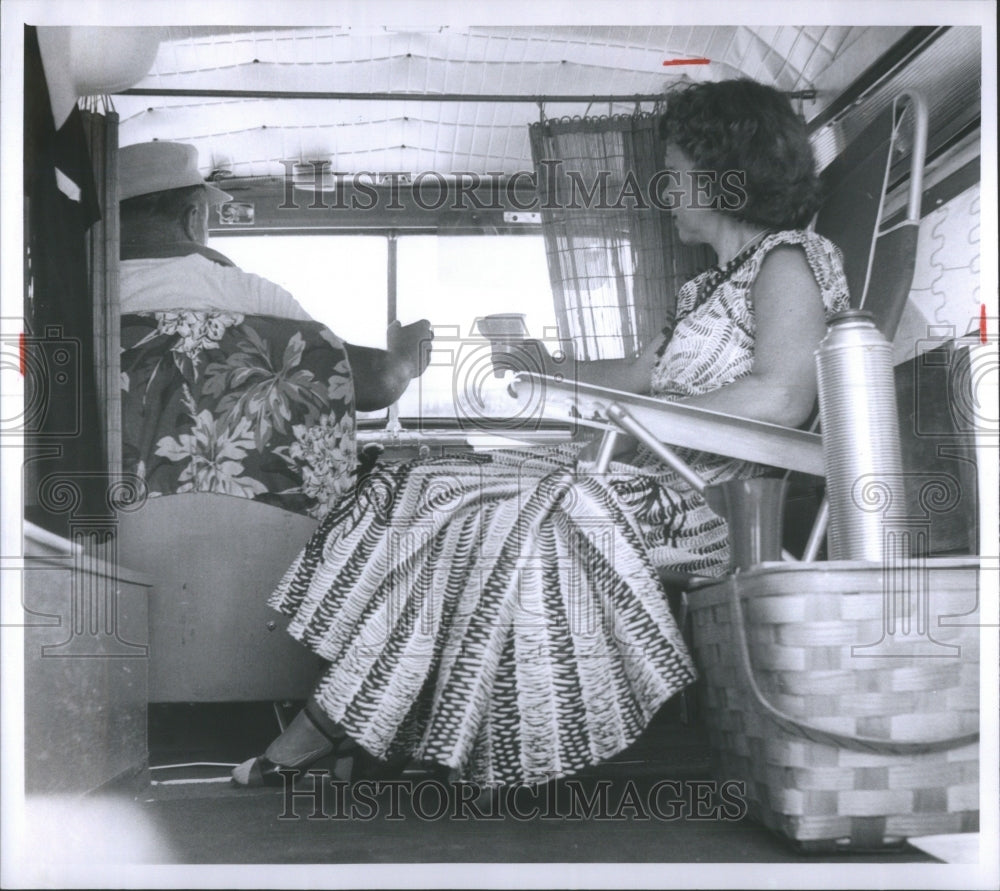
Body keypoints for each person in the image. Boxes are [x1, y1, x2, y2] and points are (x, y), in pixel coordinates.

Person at [229, 77, 850, 790]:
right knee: (425, 479)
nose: (666, 192)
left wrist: (647, 424)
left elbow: (780, 395)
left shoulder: (791, 261)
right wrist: (547, 368)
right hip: (643, 482)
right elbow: (633, 374)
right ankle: (367, 718)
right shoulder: (701, 290)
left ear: (725, 178)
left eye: (676, 176)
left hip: (712, 504)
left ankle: (333, 728)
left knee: (493, 516)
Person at [118, 141, 432, 519]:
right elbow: (375, 381)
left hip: (110, 530)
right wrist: (404, 358)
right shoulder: (246, 295)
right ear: (193, 218)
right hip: (263, 534)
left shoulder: (79, 301)